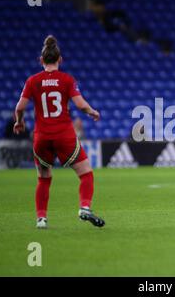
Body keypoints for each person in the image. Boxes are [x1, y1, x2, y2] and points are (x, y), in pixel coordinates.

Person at [13, 35, 105, 228]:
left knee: (44, 179)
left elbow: (20, 107)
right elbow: (80, 105)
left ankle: (41, 219)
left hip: (42, 137)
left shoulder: (32, 81)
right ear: (60, 60)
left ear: (41, 61)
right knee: (86, 173)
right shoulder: (66, 80)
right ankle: (85, 207)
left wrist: (19, 122)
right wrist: (92, 112)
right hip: (64, 135)